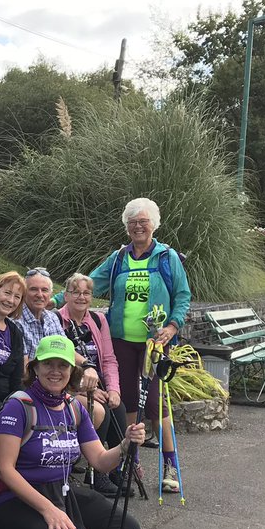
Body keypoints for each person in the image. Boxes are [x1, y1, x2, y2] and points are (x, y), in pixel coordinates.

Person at [0, 335, 146, 529]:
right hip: (15, 497)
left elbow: (101, 461)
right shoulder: (19, 406)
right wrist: (48, 510)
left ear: (72, 371)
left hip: (60, 491)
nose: (55, 371)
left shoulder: (73, 407)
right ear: (35, 367)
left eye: (62, 365)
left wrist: (125, 445)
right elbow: (4, 470)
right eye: (48, 363)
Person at [90, 198, 191, 495]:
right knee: (127, 401)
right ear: (126, 226)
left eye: (143, 221)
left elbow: (183, 295)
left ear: (154, 225)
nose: (137, 226)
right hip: (121, 340)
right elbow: (90, 284)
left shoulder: (166, 257)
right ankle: (128, 459)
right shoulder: (119, 257)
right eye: (132, 222)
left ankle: (170, 464)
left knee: (157, 402)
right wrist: (57, 300)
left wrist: (173, 326)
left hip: (154, 343)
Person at [58, 272, 124, 497]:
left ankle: (117, 468)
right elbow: (62, 360)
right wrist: (88, 390)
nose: (81, 297)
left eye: (86, 293)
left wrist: (114, 389)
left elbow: (108, 359)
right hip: (72, 386)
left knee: (118, 407)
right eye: (75, 292)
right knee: (99, 410)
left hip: (99, 384)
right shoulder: (56, 320)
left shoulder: (98, 320)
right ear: (65, 295)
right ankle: (97, 472)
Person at [0, 271, 27, 416]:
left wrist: (17, 402)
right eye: (7, 293)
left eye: (17, 297)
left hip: (6, 398)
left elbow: (17, 379)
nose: (11, 300)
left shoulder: (15, 332)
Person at [14, 267, 64, 360]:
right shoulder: (15, 320)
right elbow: (22, 366)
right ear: (23, 292)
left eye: (44, 290)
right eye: (33, 289)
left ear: (51, 293)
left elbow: (64, 350)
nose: (40, 295)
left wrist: (86, 364)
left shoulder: (52, 318)